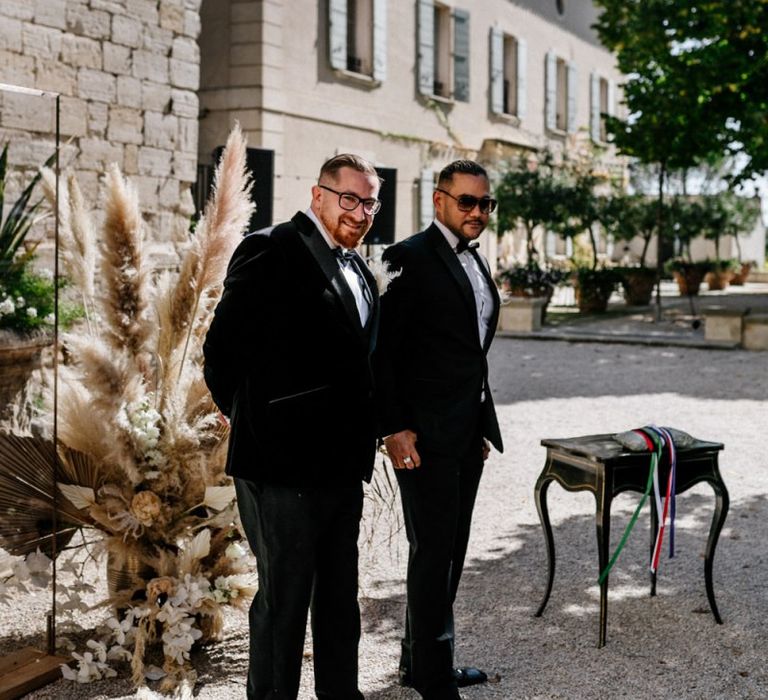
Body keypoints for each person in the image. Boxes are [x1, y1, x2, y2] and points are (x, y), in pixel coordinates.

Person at [203, 153, 382, 700]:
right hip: (280, 468)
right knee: (283, 603)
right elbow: (220, 351)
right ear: (318, 194)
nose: (360, 211)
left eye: (370, 201)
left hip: (341, 466)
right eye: (349, 198)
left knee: (338, 599)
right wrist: (260, 417)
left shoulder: (356, 266)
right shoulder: (270, 249)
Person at [374, 160, 504, 700]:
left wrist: (477, 423)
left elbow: (470, 354)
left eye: (485, 204)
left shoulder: (476, 262)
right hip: (421, 438)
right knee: (433, 552)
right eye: (467, 202)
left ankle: (420, 663)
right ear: (439, 201)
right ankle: (431, 680)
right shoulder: (407, 258)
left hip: (465, 434)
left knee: (451, 550)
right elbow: (383, 355)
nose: (477, 212)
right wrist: (393, 427)